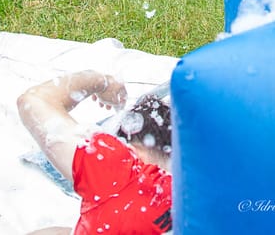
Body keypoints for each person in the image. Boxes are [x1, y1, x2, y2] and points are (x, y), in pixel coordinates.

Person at [17, 70, 173, 234]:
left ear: (133, 150)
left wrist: (102, 82)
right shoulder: (187, 192)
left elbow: (33, 101)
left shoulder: (124, 174)